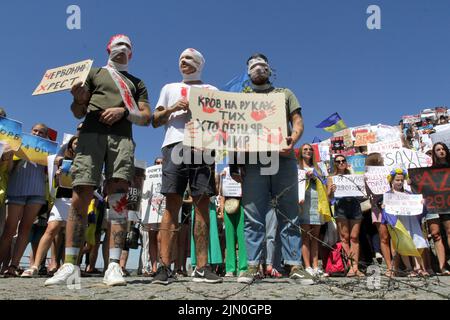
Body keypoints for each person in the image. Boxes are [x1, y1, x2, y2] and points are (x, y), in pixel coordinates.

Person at [45, 34, 151, 287]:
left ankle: (113, 265)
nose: (122, 50)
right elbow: (77, 112)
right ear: (108, 50)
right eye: (117, 46)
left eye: (127, 47)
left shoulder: (137, 83)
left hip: (122, 139)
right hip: (91, 135)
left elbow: (146, 116)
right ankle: (70, 263)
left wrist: (124, 111)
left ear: (132, 54)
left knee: (118, 200)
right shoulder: (93, 73)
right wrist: (78, 99)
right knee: (81, 194)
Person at [230, 53, 311, 285]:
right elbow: (234, 132)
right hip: (253, 161)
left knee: (289, 212)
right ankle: (252, 266)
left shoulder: (284, 94)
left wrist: (292, 140)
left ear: (269, 70)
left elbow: (297, 121)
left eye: (262, 65)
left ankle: (294, 265)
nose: (258, 69)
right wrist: (235, 163)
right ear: (248, 72)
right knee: (253, 215)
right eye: (253, 66)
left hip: (282, 159)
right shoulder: (241, 98)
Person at [151, 48, 222, 284]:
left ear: (200, 63)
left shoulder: (212, 90)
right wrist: (173, 109)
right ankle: (164, 267)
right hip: (174, 146)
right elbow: (155, 120)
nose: (184, 62)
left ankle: (202, 267)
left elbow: (223, 122)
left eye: (190, 59)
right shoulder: (169, 88)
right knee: (172, 204)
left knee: (202, 206)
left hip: (202, 147)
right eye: (181, 59)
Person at [21, 137, 79, 277]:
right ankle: (35, 265)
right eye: (75, 143)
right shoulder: (62, 160)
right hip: (63, 198)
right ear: (70, 146)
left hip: (79, 200)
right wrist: (58, 176)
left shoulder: (89, 160)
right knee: (51, 229)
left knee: (72, 235)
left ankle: (69, 267)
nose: (78, 144)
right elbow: (55, 183)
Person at [0, 123, 49, 276]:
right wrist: (8, 155)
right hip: (16, 190)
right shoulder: (17, 145)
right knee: (9, 230)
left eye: (41, 132)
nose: (37, 133)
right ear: (30, 131)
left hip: (37, 192)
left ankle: (13, 266)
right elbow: (7, 169)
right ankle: (2, 264)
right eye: (35, 130)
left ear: (46, 136)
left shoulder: (47, 151)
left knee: (25, 230)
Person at [382, 168, 429, 277]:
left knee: (416, 241)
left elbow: (418, 208)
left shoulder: (409, 193)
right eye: (397, 180)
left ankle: (418, 267)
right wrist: (384, 207)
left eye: (401, 180)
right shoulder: (389, 195)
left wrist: (421, 203)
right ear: (392, 181)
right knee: (404, 243)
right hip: (399, 222)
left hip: (411, 220)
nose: (399, 182)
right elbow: (386, 213)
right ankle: (409, 268)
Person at [327, 154, 364, 277]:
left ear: (346, 162)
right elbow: (329, 197)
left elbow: (362, 193)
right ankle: (350, 266)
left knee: (354, 237)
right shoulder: (331, 177)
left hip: (354, 204)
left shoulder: (353, 175)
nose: (341, 163)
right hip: (341, 206)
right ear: (335, 164)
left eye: (343, 161)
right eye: (338, 162)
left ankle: (355, 267)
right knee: (344, 238)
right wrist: (331, 190)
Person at [298, 143, 330, 277]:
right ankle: (307, 266)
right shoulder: (297, 168)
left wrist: (316, 177)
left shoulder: (319, 168)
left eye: (310, 149)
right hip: (303, 203)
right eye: (305, 149)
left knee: (315, 237)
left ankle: (316, 266)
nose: (308, 151)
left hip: (317, 202)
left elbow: (326, 184)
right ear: (301, 152)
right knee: (305, 236)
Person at [364, 153, 395, 276]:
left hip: (391, 206)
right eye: (380, 159)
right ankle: (389, 266)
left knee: (393, 237)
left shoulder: (389, 173)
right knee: (384, 237)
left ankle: (395, 265)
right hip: (377, 207)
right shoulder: (366, 176)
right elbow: (365, 194)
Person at [428, 142, 450, 275]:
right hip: (435, 204)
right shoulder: (429, 170)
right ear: (434, 153)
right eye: (438, 149)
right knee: (436, 234)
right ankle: (442, 267)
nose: (441, 151)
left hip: (448, 203)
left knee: (449, 231)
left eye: (443, 149)